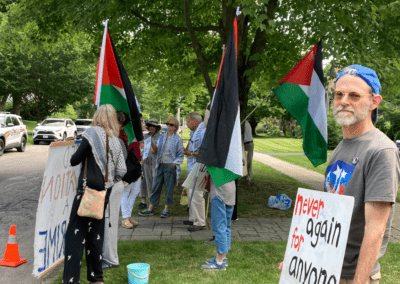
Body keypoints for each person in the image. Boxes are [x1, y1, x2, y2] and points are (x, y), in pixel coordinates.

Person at [280, 65, 400, 284]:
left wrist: (359, 280)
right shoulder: (342, 147)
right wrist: (300, 256)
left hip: (353, 275)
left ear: (374, 102)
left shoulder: (381, 151)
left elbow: (375, 230)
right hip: (327, 268)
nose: (344, 101)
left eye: (354, 95)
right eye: (338, 95)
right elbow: (326, 215)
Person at [62, 104, 126, 284]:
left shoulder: (91, 134)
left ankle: (71, 280)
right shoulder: (115, 139)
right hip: (103, 193)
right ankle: (97, 278)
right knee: (96, 236)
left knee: (75, 235)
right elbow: (122, 170)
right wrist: (108, 182)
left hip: (86, 191)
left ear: (97, 116)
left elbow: (74, 160)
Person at [102, 111, 135, 269]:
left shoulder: (117, 140)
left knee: (109, 223)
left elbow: (119, 168)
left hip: (112, 185)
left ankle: (110, 259)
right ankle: (107, 256)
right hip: (112, 184)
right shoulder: (118, 139)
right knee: (107, 223)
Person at [138, 117, 184, 218]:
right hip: (160, 164)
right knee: (156, 186)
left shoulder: (177, 139)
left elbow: (181, 154)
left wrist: (174, 163)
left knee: (168, 188)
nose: (168, 126)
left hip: (170, 165)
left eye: (171, 125)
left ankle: (166, 209)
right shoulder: (163, 137)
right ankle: (151, 208)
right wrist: (149, 143)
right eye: (167, 124)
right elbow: (157, 150)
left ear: (176, 127)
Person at [201, 179, 236, 271]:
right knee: (226, 227)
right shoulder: (233, 164)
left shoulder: (217, 164)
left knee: (219, 228)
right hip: (230, 190)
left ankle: (219, 262)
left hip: (219, 192)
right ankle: (222, 258)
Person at [182, 112, 207, 231]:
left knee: (197, 195)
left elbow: (205, 153)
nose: (187, 124)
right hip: (193, 167)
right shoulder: (195, 132)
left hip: (200, 168)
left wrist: (190, 153)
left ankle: (200, 222)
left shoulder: (203, 132)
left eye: (188, 122)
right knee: (191, 194)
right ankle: (193, 218)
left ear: (195, 122)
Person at [138, 119, 162, 209]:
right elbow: (141, 147)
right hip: (145, 162)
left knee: (154, 182)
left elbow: (156, 151)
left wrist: (150, 143)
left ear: (156, 127)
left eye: (154, 126)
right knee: (145, 181)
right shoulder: (145, 136)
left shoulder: (160, 137)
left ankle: (154, 202)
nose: (152, 127)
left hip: (155, 162)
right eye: (150, 125)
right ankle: (145, 201)